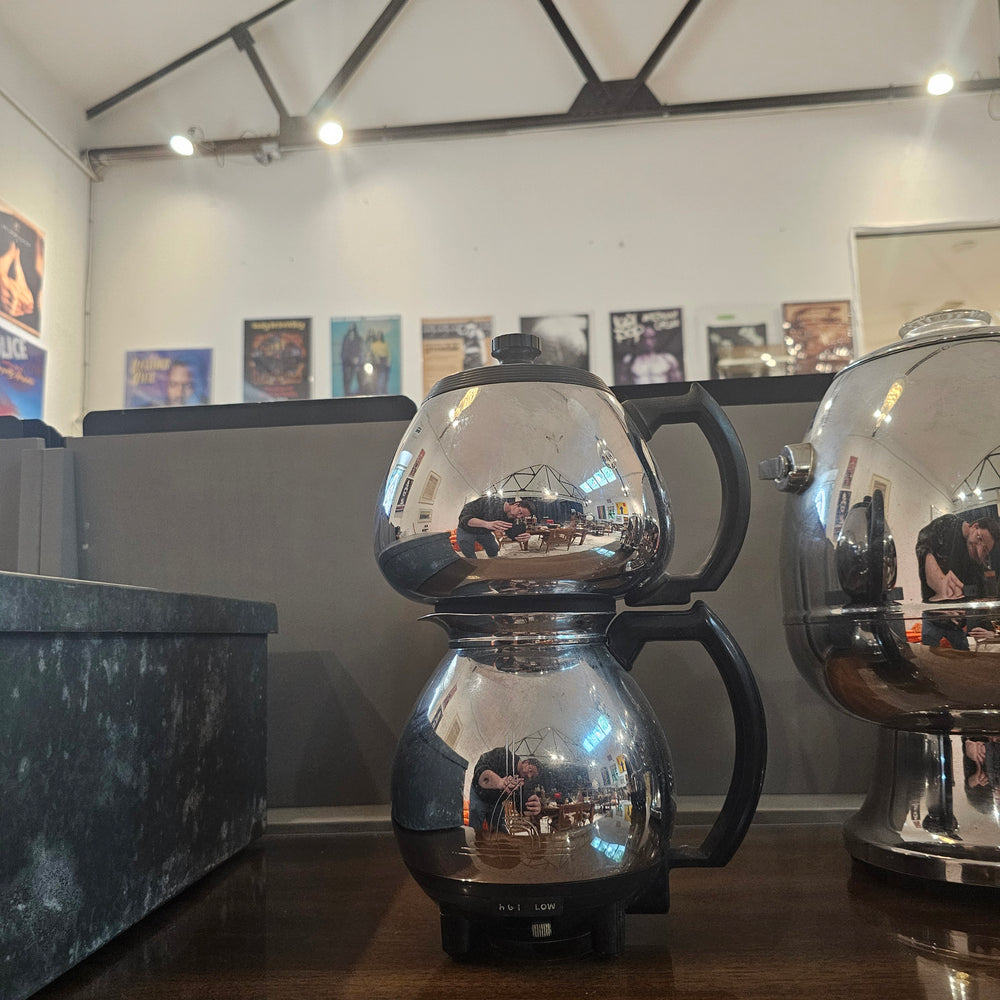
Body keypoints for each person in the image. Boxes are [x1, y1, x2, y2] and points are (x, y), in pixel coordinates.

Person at [916, 513, 1000, 649]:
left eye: (984, 549)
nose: (978, 549)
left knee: (963, 654)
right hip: (933, 616)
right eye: (979, 539)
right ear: (975, 526)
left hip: (956, 622)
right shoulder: (949, 524)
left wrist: (989, 630)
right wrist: (938, 579)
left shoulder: (976, 562)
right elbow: (923, 540)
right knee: (929, 655)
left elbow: (981, 596)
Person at [469, 746, 542, 832]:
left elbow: (520, 805)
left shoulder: (521, 780)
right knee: (475, 830)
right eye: (530, 770)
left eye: (532, 776)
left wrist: (534, 807)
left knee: (500, 831)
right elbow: (480, 771)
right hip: (479, 795)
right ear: (526, 762)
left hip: (496, 802)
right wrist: (499, 782)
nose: (529, 775)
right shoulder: (503, 755)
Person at [456, 496, 533, 558]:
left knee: (493, 548)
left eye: (522, 516)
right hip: (466, 529)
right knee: (469, 553)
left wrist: (520, 536)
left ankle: (493, 563)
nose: (519, 517)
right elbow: (464, 519)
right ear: (516, 505)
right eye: (520, 512)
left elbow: (510, 532)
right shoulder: (489, 502)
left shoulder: (510, 516)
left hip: (483, 532)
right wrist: (486, 524)